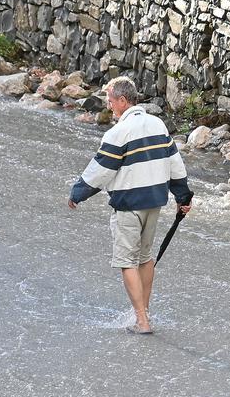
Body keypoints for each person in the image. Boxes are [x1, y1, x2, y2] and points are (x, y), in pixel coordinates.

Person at [68, 76, 192, 334]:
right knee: (145, 258)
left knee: (127, 261)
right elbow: (174, 162)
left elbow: (101, 170)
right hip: (155, 202)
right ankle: (144, 314)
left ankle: (142, 322)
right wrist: (183, 197)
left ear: (123, 101)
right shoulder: (157, 124)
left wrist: (77, 193)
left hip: (128, 205)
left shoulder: (118, 132)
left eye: (111, 101)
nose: (109, 106)